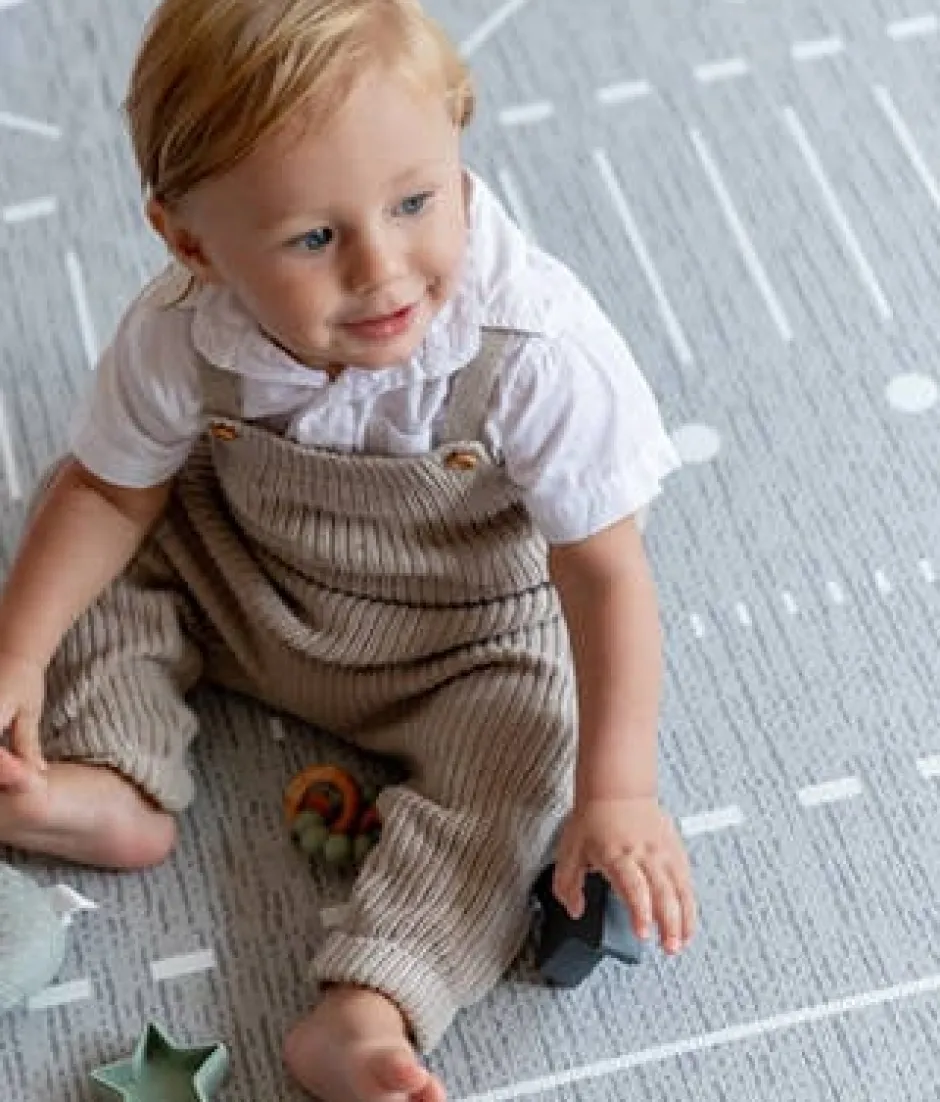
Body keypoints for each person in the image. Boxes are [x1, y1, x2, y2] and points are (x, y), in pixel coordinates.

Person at [0, 1, 696, 1098]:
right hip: (246, 569)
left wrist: (618, 792)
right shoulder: (180, 331)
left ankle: (369, 1009)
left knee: (529, 764)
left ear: (456, 130)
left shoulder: (534, 349)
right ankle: (106, 774)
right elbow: (110, 493)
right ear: (192, 243)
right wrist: (17, 653)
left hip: (464, 642)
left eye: (414, 202)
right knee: (78, 527)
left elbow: (604, 571)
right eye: (314, 239)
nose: (382, 269)